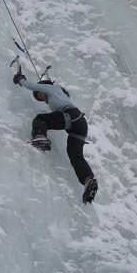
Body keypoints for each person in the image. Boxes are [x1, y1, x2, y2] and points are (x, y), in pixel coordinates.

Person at [13, 67, 98, 203]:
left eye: (40, 93)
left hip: (71, 116)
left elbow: (31, 85)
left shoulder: (52, 88)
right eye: (39, 97)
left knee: (40, 119)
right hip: (79, 124)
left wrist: (20, 79)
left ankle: (41, 138)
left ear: (44, 87)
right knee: (74, 155)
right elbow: (63, 95)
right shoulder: (59, 94)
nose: (41, 96)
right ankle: (88, 180)